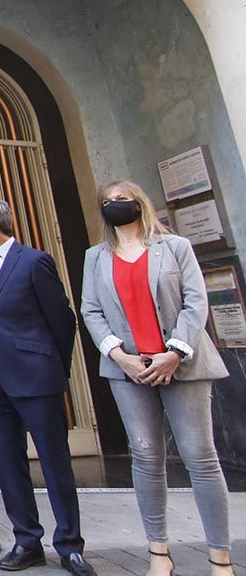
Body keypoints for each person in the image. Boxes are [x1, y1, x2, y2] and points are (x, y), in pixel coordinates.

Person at [79, 180, 233, 576]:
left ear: (139, 202)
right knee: (146, 456)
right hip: (127, 368)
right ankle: (158, 553)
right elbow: (91, 310)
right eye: (108, 202)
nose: (116, 206)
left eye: (122, 199)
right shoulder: (95, 257)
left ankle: (220, 557)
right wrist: (119, 356)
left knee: (200, 456)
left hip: (182, 363)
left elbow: (195, 301)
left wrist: (175, 351)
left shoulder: (174, 247)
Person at [0, 199, 96, 576]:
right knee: (8, 463)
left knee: (55, 462)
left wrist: (54, 367)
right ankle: (27, 540)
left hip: (36, 377)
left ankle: (69, 545)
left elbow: (62, 318)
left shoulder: (33, 260)